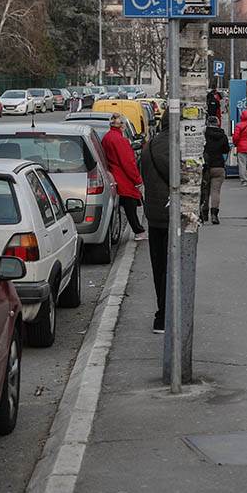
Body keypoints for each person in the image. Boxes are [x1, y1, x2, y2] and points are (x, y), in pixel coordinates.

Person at [141, 112, 171, 333]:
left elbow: (144, 176)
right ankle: (170, 314)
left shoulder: (149, 145)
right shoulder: (179, 144)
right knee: (175, 268)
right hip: (175, 214)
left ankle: (161, 315)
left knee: (159, 266)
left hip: (154, 214)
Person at [101, 113, 147, 241]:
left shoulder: (107, 137)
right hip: (123, 178)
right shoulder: (120, 140)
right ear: (121, 126)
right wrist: (137, 180)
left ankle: (136, 230)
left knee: (124, 207)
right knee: (130, 206)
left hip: (114, 175)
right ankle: (139, 231)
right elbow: (128, 162)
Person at [201, 116, 230, 225]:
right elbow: (226, 149)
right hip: (218, 166)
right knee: (215, 191)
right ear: (218, 123)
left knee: (205, 191)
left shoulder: (203, 134)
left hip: (206, 166)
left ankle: (204, 213)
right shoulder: (222, 135)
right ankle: (214, 214)